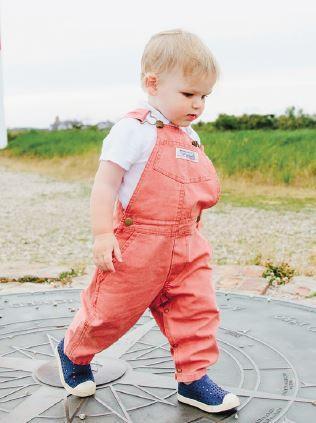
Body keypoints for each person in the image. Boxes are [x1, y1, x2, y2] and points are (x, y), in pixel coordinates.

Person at [55, 28, 240, 414]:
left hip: (187, 244)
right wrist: (103, 234)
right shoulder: (133, 130)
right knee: (109, 311)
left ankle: (193, 379)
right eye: (189, 94)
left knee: (197, 311)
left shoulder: (191, 137)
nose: (198, 104)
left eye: (205, 96)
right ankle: (74, 352)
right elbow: (105, 185)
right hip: (138, 244)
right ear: (152, 83)